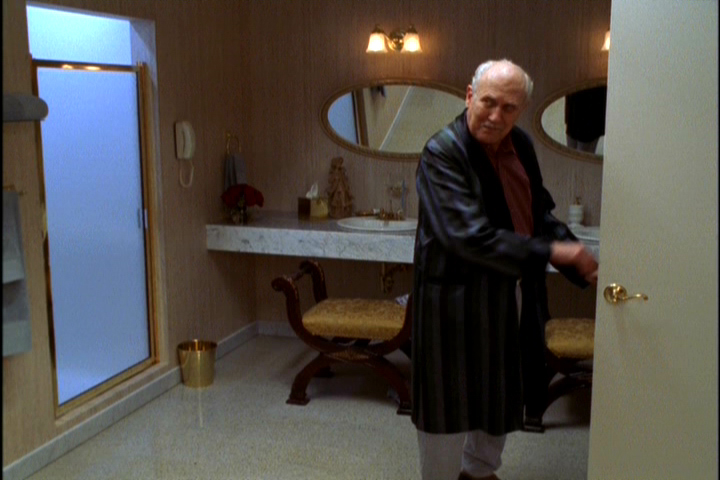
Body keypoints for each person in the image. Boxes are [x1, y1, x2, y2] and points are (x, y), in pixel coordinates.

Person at [411, 59, 598, 480]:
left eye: (509, 107)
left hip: (508, 290)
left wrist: (575, 253)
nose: (496, 116)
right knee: (447, 401)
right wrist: (555, 252)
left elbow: (538, 212)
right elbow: (467, 238)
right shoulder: (442, 152)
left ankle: (479, 471)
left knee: (498, 389)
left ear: (521, 110)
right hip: (452, 301)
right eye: (489, 102)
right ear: (470, 96)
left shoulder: (522, 146)